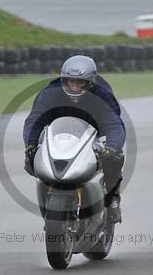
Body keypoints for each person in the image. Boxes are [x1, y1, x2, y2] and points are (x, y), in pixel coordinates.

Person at [23, 55, 125, 222]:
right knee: (31, 159)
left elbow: (114, 124)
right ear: (64, 80)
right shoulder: (51, 92)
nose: (75, 86)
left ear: (90, 82)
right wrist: (31, 144)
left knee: (114, 158)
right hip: (59, 135)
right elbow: (34, 119)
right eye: (71, 81)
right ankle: (48, 197)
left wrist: (112, 147)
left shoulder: (102, 94)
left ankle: (113, 199)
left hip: (92, 134)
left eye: (80, 82)